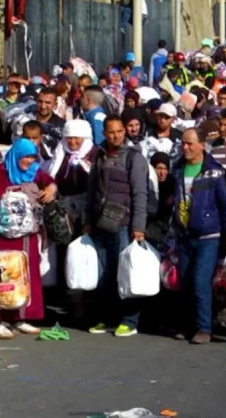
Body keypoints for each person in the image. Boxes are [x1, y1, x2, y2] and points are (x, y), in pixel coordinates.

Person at [84, 116, 149, 337]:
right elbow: (91, 192)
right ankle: (106, 318)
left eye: (120, 131)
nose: (117, 136)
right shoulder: (99, 156)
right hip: (101, 224)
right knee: (104, 275)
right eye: (112, 132)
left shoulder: (134, 158)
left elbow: (140, 194)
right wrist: (87, 221)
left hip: (124, 224)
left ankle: (129, 320)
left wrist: (138, 226)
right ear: (104, 133)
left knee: (126, 273)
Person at [172, 128, 226, 344]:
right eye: (183, 143)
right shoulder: (178, 169)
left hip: (208, 235)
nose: (185, 147)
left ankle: (204, 328)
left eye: (190, 143)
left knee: (201, 281)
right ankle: (188, 325)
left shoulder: (214, 171)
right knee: (185, 281)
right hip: (184, 235)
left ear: (202, 144)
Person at [0, 138, 56, 339]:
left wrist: (51, 189)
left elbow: (50, 181)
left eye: (32, 156)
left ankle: (21, 318)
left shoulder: (34, 172)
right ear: (16, 155)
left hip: (28, 236)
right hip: (4, 238)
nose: (29, 160)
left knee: (27, 277)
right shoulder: (0, 175)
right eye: (26, 156)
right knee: (2, 278)